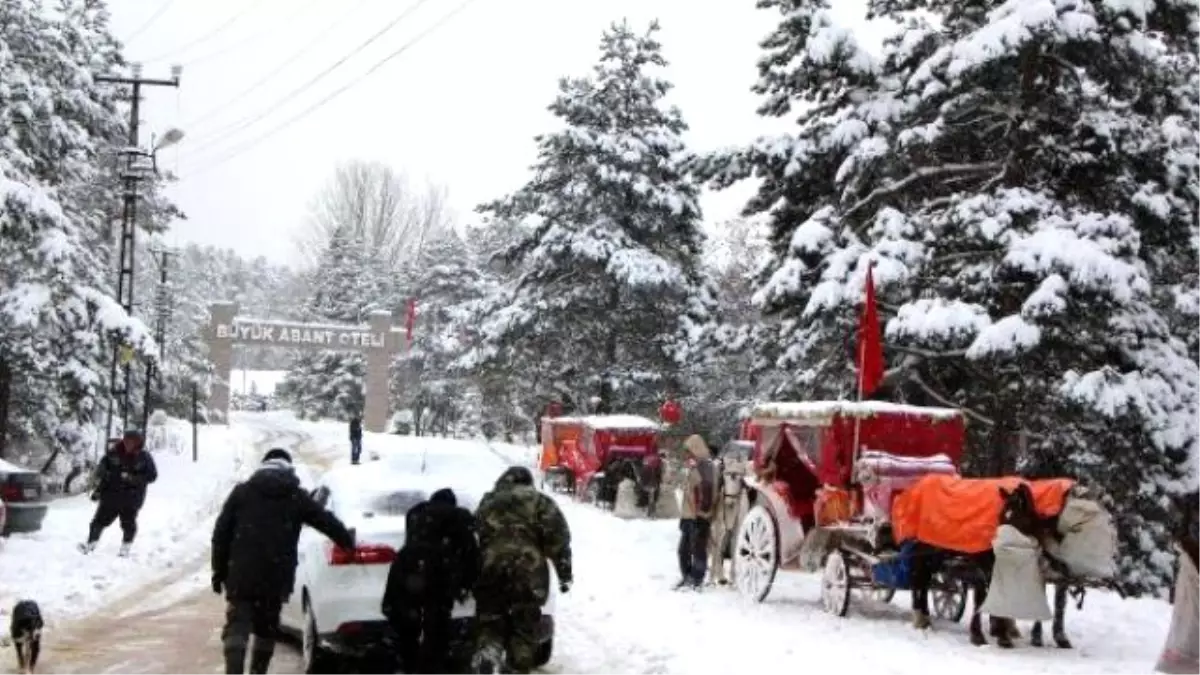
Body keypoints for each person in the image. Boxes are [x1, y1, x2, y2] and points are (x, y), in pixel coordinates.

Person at [211, 448, 356, 675]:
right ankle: (258, 672)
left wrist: (218, 571)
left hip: (241, 574)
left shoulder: (242, 493)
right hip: (275, 577)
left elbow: (221, 534)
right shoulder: (296, 497)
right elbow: (324, 520)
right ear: (289, 470)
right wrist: (347, 540)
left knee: (237, 627)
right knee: (266, 630)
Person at [472, 466, 572, 675]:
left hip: (492, 567)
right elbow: (558, 539)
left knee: (490, 618)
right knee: (524, 625)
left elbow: (475, 533)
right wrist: (565, 575)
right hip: (529, 572)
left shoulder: (489, 501)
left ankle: (488, 653)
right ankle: (518, 666)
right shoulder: (540, 502)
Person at [382, 488, 480, 675]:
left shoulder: (415, 513)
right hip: (436, 572)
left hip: (405, 570)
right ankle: (431, 666)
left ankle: (407, 664)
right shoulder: (458, 517)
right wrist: (467, 585)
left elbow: (412, 542)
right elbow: (470, 555)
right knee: (437, 626)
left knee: (407, 621)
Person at [79, 429, 157, 556]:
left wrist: (133, 478)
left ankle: (125, 547)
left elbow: (152, 476)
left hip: (131, 497)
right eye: (127, 440)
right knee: (98, 521)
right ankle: (90, 544)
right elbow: (103, 473)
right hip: (111, 495)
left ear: (138, 442)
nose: (128, 444)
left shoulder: (144, 457)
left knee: (128, 523)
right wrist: (98, 490)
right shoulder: (113, 453)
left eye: (132, 441)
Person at [675, 434, 715, 590]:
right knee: (683, 550)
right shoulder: (693, 466)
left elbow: (705, 491)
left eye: (688, 451)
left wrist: (701, 513)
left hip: (698, 516)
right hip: (688, 515)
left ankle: (696, 579)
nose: (685, 454)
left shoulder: (705, 466)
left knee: (698, 549)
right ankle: (687, 577)